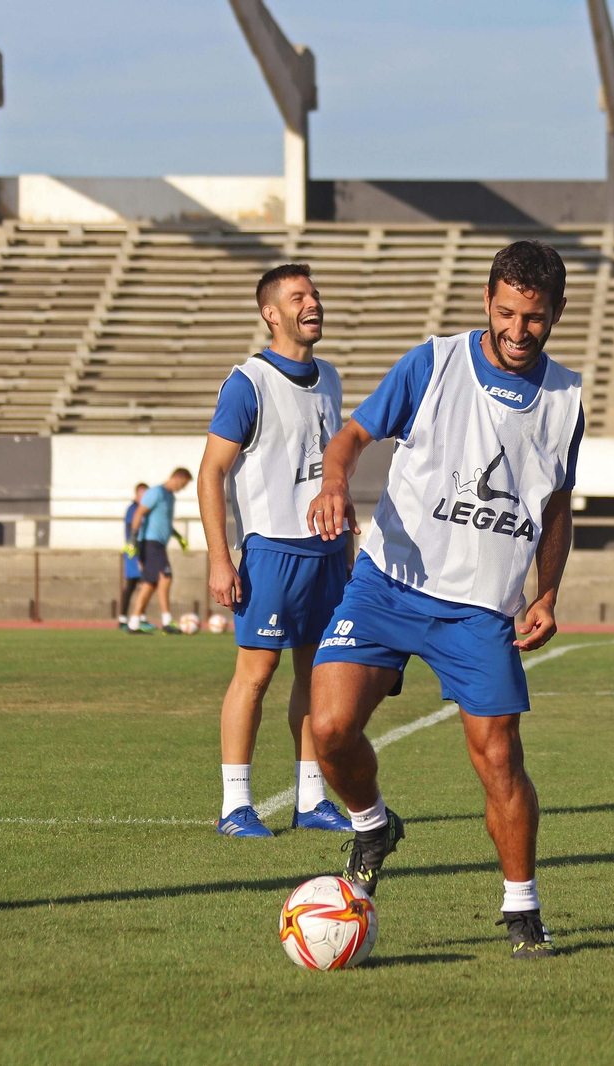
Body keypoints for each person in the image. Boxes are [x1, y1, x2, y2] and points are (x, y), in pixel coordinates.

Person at [306, 240, 585, 960]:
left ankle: (522, 909)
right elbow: (353, 435)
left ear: (556, 313)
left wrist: (546, 593)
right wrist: (337, 480)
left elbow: (556, 508)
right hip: (388, 585)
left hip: (480, 608)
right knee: (329, 727)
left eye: (535, 317)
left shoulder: (566, 399)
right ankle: (372, 822)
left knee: (498, 758)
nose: (519, 331)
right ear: (487, 300)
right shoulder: (433, 363)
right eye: (506, 312)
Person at [196, 264, 355, 837]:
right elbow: (211, 472)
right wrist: (221, 556)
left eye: (314, 292)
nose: (312, 302)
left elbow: (327, 464)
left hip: (327, 553)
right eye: (298, 296)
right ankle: (234, 804)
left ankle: (311, 800)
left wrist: (347, 535)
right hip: (270, 552)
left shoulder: (331, 378)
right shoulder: (248, 382)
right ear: (271, 313)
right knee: (255, 675)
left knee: (319, 678)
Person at [125, 468, 192, 633]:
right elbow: (139, 513)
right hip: (149, 542)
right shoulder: (156, 492)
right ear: (177, 478)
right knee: (166, 577)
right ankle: (167, 620)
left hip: (159, 544)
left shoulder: (170, 497)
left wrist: (178, 537)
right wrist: (133, 540)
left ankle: (134, 622)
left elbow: (165, 522)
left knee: (150, 583)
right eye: (182, 484)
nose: (182, 488)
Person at [118, 482, 148, 628]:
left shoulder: (144, 509)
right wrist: (134, 547)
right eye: (144, 494)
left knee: (143, 584)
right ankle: (123, 618)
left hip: (141, 550)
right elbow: (132, 528)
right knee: (132, 584)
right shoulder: (133, 509)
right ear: (138, 494)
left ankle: (140, 617)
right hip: (133, 551)